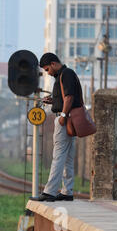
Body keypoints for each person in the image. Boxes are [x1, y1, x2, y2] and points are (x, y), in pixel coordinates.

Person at [30, 53, 83, 202]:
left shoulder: (65, 75)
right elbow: (65, 98)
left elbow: (70, 97)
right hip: (67, 117)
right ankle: (67, 191)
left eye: (47, 69)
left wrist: (63, 116)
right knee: (68, 157)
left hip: (65, 119)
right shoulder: (64, 75)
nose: (47, 72)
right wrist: (53, 101)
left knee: (58, 155)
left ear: (53, 64)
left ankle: (50, 192)